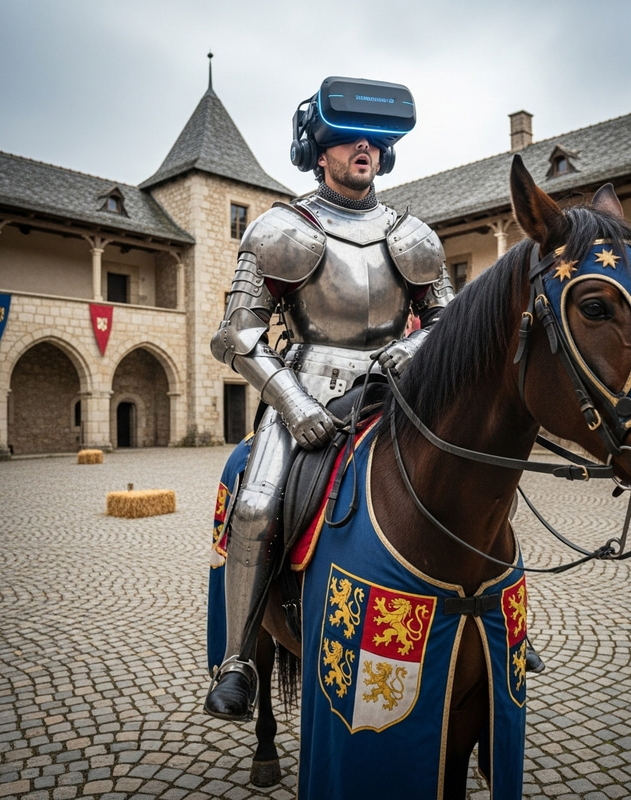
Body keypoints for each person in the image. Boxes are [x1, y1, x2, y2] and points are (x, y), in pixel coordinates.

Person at [203, 76, 456, 722]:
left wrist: (416, 348)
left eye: (373, 141)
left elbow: (446, 323)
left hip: (400, 391)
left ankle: (494, 623)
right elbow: (237, 334)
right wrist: (292, 405)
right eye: (346, 140)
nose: (362, 149)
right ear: (320, 152)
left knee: (470, 468)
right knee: (257, 502)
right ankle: (238, 661)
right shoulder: (283, 228)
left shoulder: (413, 236)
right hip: (309, 387)